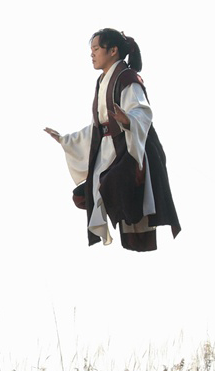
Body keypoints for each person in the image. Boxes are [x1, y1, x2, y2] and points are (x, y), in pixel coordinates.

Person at [44, 29, 180, 251]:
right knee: (83, 195)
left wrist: (128, 120)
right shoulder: (102, 81)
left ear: (113, 50)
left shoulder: (127, 77)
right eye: (91, 50)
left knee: (114, 187)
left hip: (130, 146)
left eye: (96, 49)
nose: (92, 54)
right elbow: (98, 126)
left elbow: (142, 112)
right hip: (108, 149)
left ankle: (135, 228)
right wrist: (67, 139)